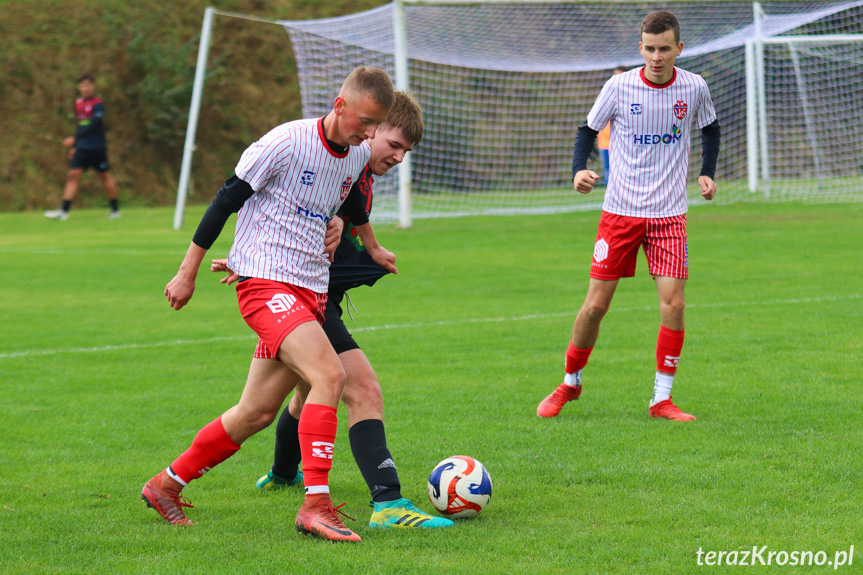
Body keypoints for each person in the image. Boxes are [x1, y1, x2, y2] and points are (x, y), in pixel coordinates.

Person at [140, 66, 396, 543]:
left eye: (376, 125)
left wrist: (371, 244)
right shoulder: (286, 142)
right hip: (265, 285)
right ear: (339, 106)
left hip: (310, 290)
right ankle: (315, 506)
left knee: (255, 412)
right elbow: (225, 201)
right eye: (364, 121)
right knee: (330, 376)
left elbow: (350, 203)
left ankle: (165, 485)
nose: (370, 134)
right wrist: (186, 271)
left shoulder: (355, 154)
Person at [213, 92, 453, 530]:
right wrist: (250, 260)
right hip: (299, 297)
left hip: (311, 295)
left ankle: (282, 473)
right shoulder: (331, 156)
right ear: (372, 129)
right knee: (361, 388)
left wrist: (357, 236)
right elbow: (273, 203)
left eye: (406, 152)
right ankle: (389, 503)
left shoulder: (353, 172)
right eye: (394, 145)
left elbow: (331, 212)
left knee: (284, 401)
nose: (399, 157)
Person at [537, 11, 720, 421]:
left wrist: (707, 173)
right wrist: (578, 170)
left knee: (674, 306)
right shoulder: (619, 87)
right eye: (650, 49)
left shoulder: (694, 87)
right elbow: (587, 129)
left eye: (664, 49)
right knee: (595, 306)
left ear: (679, 49)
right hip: (619, 214)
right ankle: (570, 382)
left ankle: (661, 399)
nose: (657, 57)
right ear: (641, 48)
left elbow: (710, 128)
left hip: (670, 216)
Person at [45, 74, 120, 221]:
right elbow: (81, 126)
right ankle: (63, 211)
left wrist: (74, 139)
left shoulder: (98, 103)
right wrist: (76, 145)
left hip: (97, 146)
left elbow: (95, 124)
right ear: (79, 87)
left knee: (105, 176)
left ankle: (115, 210)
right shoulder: (78, 103)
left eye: (89, 85)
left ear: (93, 86)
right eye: (83, 85)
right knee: (73, 176)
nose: (86, 88)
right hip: (82, 147)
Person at [597, 66, 629, 185]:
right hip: (606, 142)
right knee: (609, 171)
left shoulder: (634, 96)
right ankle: (612, 199)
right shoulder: (605, 94)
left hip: (626, 142)